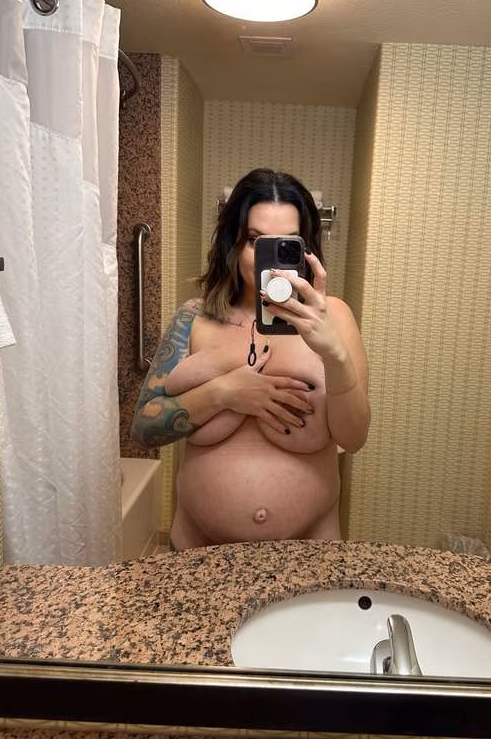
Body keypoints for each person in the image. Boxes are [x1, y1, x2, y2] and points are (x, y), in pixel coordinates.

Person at [131, 168, 370, 549]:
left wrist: (334, 354)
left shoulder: (335, 317)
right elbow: (144, 430)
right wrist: (225, 393)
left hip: (307, 551)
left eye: (285, 243)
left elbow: (354, 438)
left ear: (305, 250)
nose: (268, 260)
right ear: (233, 243)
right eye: (254, 240)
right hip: (200, 551)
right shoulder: (195, 317)